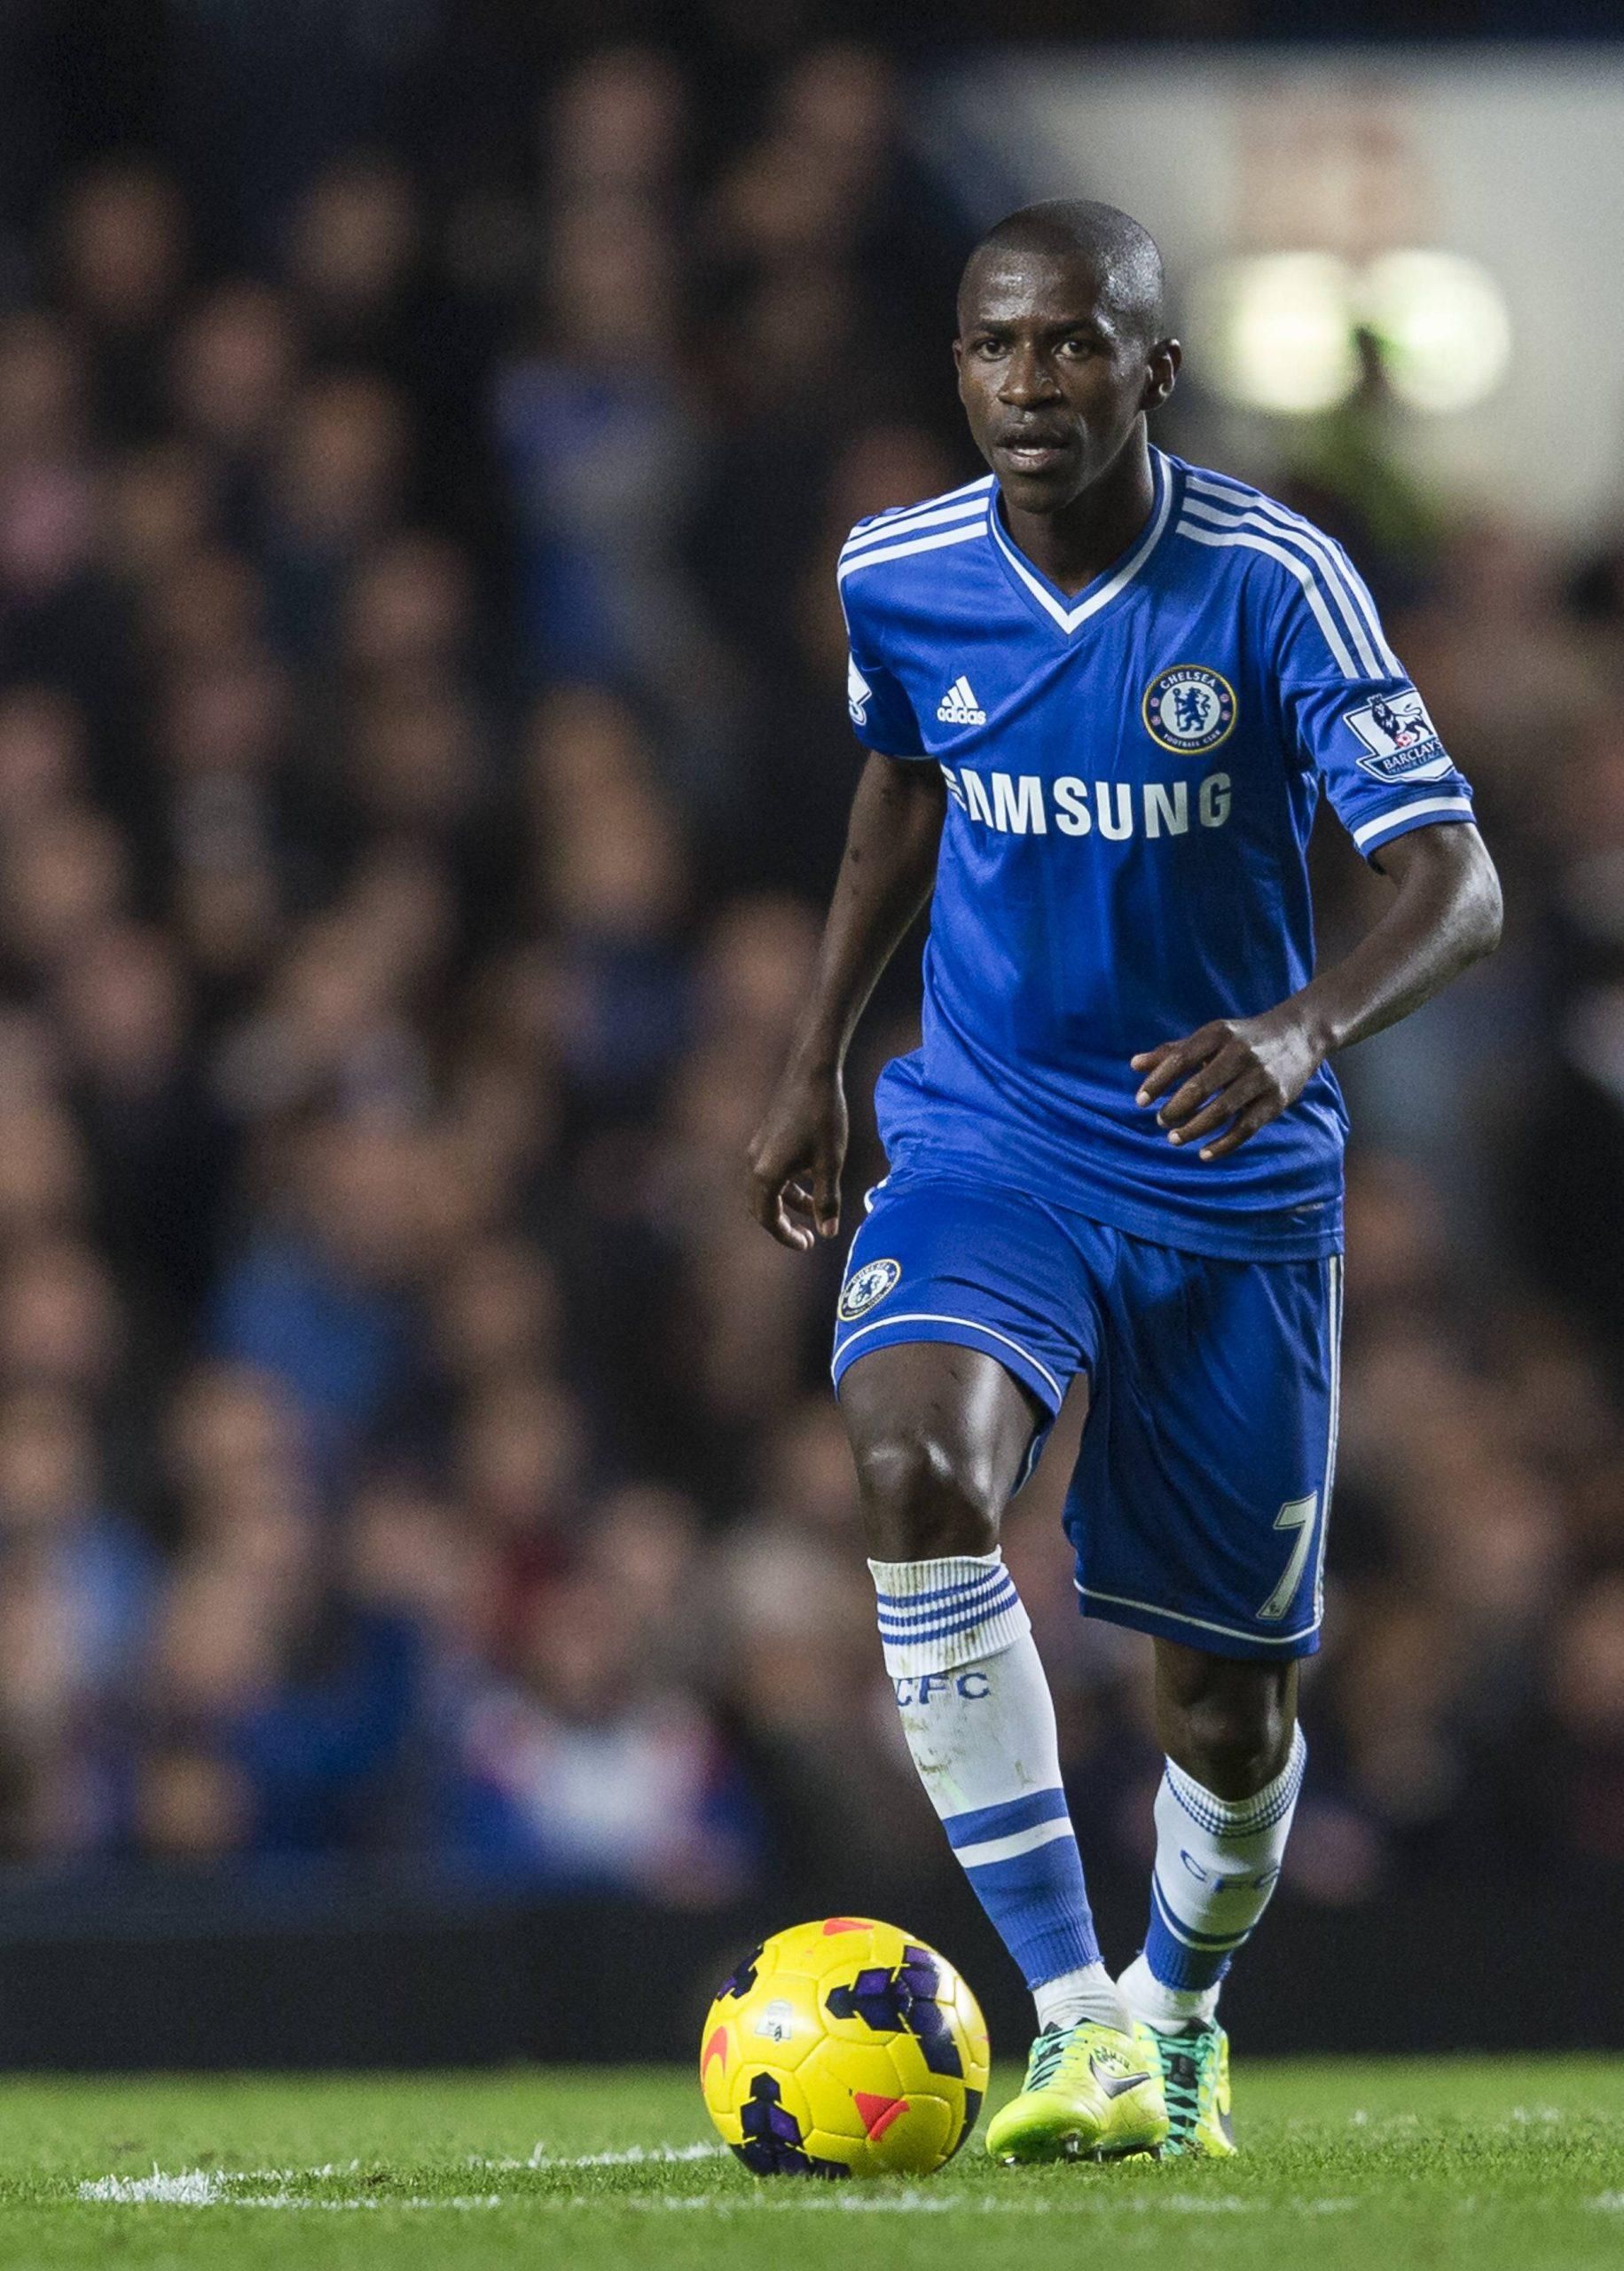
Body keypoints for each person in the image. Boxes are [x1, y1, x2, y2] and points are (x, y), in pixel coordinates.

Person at [748, 200, 1502, 2165]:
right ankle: (1064, 2009)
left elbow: (1456, 877)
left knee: (1226, 1721)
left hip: (1221, 1168)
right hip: (986, 1128)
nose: (1029, 383)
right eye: (997, 346)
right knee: (913, 1460)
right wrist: (819, 1055)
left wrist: (1295, 1031)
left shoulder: (1274, 583)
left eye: (1075, 347)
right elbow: (903, 778)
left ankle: (1174, 2009)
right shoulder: (899, 574)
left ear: (1152, 372)